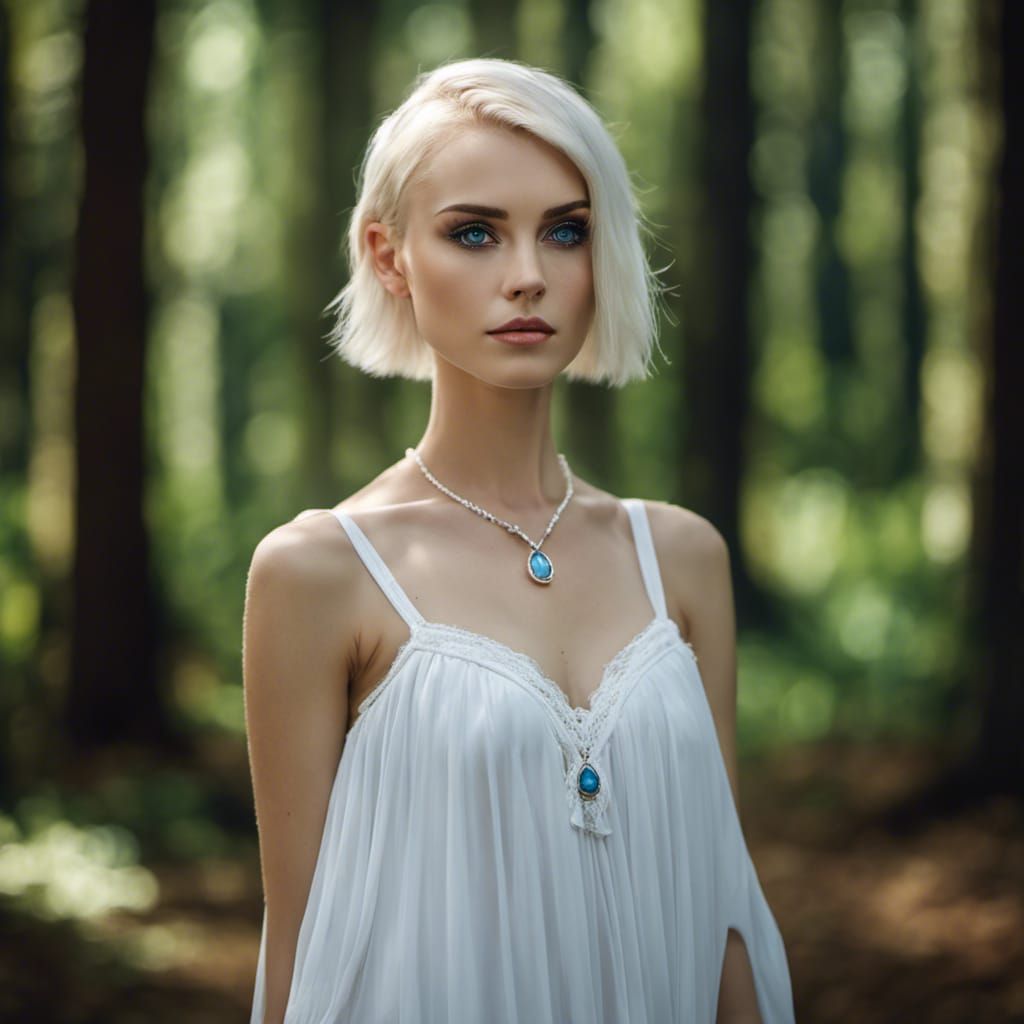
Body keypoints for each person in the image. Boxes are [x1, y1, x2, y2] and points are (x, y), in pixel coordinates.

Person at [243, 57, 796, 1024]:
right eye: (474, 233)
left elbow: (724, 913)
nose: (530, 276)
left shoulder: (683, 560)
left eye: (567, 231)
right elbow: (302, 944)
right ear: (388, 255)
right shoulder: (318, 571)